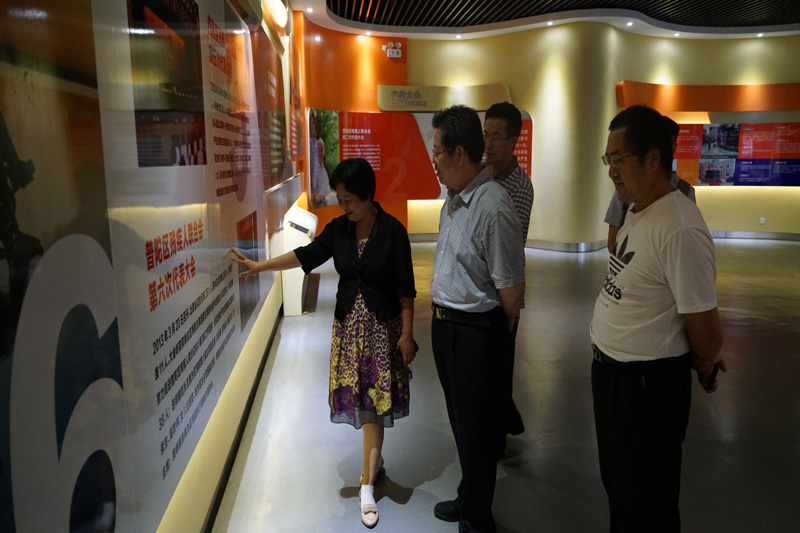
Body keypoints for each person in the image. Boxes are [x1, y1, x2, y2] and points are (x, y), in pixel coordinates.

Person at [230, 157, 417, 529]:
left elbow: (406, 289)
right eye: (340, 199)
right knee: (363, 402)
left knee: (373, 406)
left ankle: (367, 485)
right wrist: (259, 266)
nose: (344, 206)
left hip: (382, 332)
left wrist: (407, 334)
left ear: (367, 195)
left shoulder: (393, 231)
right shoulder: (339, 230)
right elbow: (306, 256)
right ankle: (374, 464)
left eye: (349, 200)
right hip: (348, 331)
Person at [590, 105, 727, 531]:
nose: (611, 170)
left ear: (653, 159)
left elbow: (706, 333)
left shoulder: (680, 228)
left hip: (646, 391)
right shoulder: (637, 209)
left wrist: (704, 359)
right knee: (621, 492)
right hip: (614, 380)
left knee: (647, 504)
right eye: (608, 158)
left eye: (618, 158)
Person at [429, 105, 524, 533]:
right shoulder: (453, 200)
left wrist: (490, 334)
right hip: (445, 327)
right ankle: (468, 495)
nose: (433, 160)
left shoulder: (494, 207)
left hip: (475, 334)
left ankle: (479, 517)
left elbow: (511, 294)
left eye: (437, 152)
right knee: (460, 423)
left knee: (480, 431)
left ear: (459, 153)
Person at [483, 101, 534, 450]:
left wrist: (511, 303)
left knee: (499, 367)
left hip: (502, 292)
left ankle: (497, 438)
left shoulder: (519, 186)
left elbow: (508, 248)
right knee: (486, 368)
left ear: (514, 140)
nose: (488, 143)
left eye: (496, 137)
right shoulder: (480, 173)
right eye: (485, 134)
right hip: (478, 290)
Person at [604, 115, 695, 253]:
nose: (612, 173)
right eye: (611, 160)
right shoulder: (628, 190)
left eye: (619, 159)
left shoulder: (685, 196)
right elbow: (614, 232)